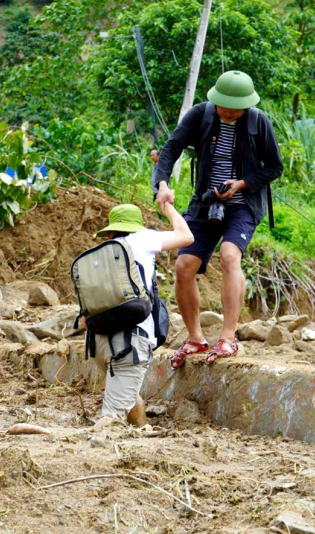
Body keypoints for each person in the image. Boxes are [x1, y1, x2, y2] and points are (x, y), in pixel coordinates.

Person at [153, 70, 283, 368]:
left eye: (234, 108)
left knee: (229, 256)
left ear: (246, 106)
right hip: (205, 202)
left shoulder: (258, 122)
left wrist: (242, 183)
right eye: (223, 106)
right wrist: (162, 184)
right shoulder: (202, 115)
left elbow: (275, 167)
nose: (228, 112)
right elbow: (171, 148)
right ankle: (195, 338)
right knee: (184, 265)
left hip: (243, 205)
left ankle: (228, 337)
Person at [87, 202, 194, 430]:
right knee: (112, 417)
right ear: (136, 226)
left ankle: (142, 431)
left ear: (111, 232)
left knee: (128, 393)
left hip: (98, 342)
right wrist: (168, 208)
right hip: (131, 342)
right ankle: (78, 446)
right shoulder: (142, 238)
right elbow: (187, 236)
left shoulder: (102, 253)